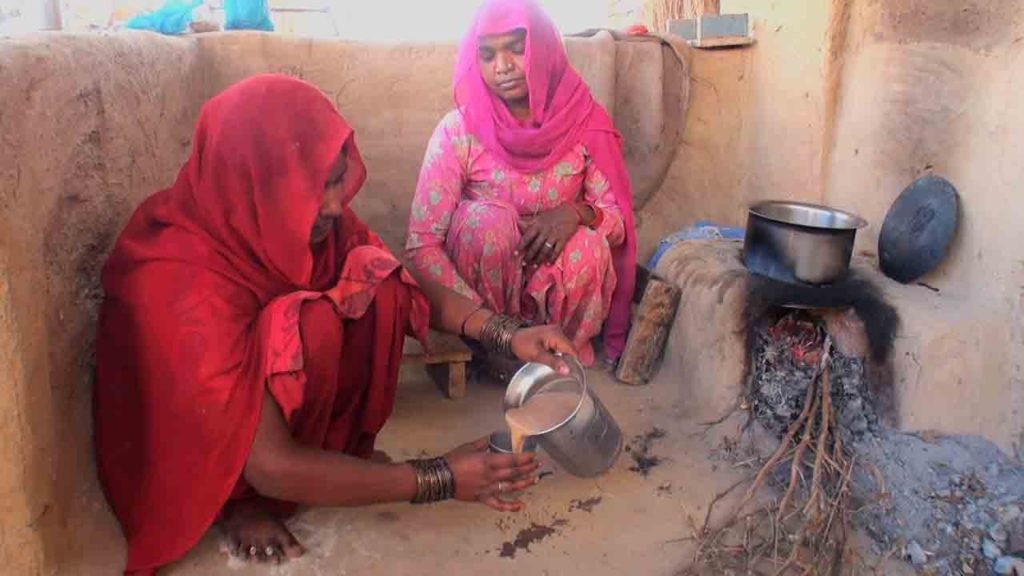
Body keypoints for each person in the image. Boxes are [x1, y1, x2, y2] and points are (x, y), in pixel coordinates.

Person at [93, 74, 577, 575]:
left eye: (336, 180)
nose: (333, 204)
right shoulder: (183, 282)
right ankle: (238, 501)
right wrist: (439, 478)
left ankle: (330, 461)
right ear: (257, 180)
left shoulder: (289, 216)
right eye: (316, 187)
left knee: (376, 284)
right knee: (308, 325)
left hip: (256, 416)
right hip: (192, 448)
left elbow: (400, 277)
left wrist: (506, 332)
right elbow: (270, 462)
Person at [405, 0, 637, 369]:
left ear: (543, 46)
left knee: (589, 246)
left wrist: (576, 213)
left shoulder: (585, 122)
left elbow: (618, 222)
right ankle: (495, 353)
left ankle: (561, 355)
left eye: (516, 48)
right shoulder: (459, 130)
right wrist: (479, 319)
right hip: (486, 310)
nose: (502, 67)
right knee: (487, 224)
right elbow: (423, 244)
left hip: (556, 282)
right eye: (487, 55)